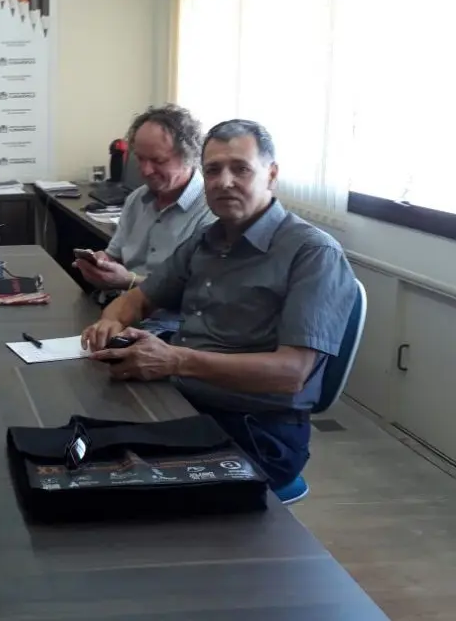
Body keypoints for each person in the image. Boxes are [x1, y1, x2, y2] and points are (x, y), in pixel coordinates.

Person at [81, 119, 357, 491]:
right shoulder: (205, 240)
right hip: (185, 402)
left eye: (240, 169)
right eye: (213, 170)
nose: (224, 181)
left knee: (110, 485)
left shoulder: (313, 253)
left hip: (257, 430)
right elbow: (138, 298)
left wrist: (176, 360)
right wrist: (111, 323)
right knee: (74, 443)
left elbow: (291, 373)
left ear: (271, 175)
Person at [73, 105, 214, 335]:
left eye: (158, 160)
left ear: (189, 156)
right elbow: (115, 254)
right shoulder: (138, 198)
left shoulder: (210, 210)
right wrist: (100, 263)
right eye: (140, 158)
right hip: (119, 311)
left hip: (171, 327)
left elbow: (198, 292)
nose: (145, 170)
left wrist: (128, 281)